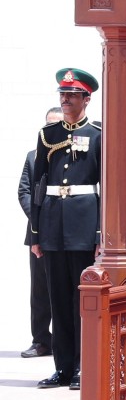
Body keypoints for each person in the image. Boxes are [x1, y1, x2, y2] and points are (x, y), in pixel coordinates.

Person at [31, 69, 102, 390]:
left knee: (81, 301)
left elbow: (107, 185)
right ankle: (62, 367)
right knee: (57, 299)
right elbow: (38, 185)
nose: (66, 100)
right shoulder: (48, 134)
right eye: (63, 94)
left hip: (84, 227)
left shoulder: (99, 133)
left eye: (73, 95)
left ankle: (82, 367)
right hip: (52, 227)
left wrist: (102, 235)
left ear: (87, 99)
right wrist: (35, 233)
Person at [18, 107, 62, 358]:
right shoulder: (33, 156)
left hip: (65, 233)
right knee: (39, 289)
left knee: (65, 288)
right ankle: (41, 340)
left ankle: (66, 341)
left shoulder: (73, 156)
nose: (50, 130)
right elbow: (23, 191)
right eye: (47, 125)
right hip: (38, 233)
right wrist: (38, 217)